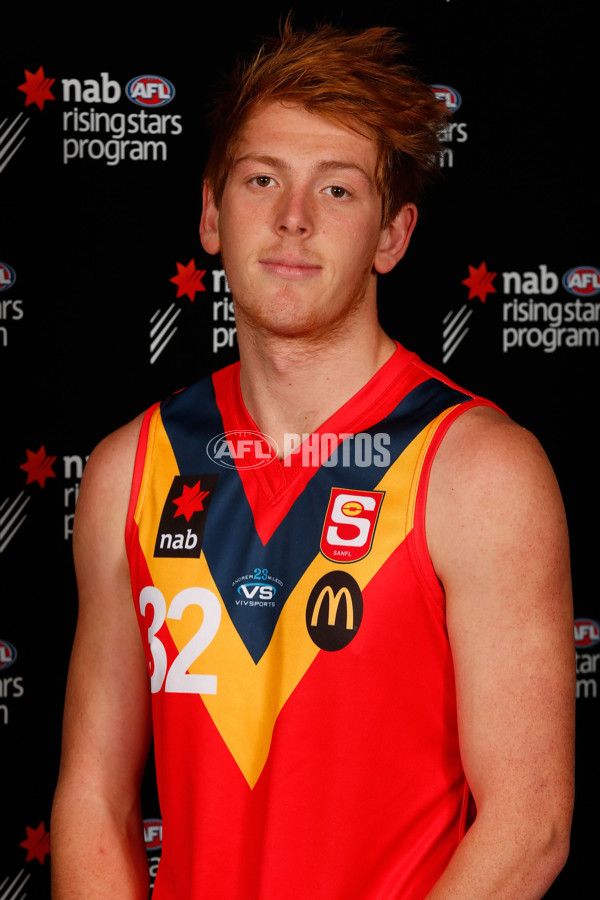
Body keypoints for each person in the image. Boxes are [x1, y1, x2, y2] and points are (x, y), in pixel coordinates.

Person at [51, 20, 575, 899]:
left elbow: (530, 827)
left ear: (392, 237)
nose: (293, 219)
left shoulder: (480, 471)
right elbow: (93, 801)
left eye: (337, 191)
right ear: (212, 214)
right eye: (263, 180)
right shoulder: (127, 471)